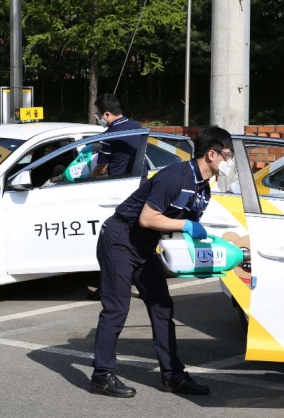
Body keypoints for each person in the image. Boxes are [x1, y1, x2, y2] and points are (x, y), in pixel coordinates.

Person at [90, 125, 233, 398]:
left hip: (145, 245)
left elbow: (175, 231)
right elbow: (147, 218)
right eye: (227, 155)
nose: (229, 162)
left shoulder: (203, 190)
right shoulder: (174, 177)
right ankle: (101, 376)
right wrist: (188, 226)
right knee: (117, 309)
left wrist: (198, 262)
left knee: (162, 306)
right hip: (120, 238)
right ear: (212, 154)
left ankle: (173, 376)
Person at [87, 94, 145, 300]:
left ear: (107, 114)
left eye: (98, 114)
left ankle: (109, 289)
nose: (97, 118)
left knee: (111, 243)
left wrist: (88, 176)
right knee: (136, 240)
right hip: (140, 186)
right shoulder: (137, 126)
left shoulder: (110, 135)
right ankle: (141, 283)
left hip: (116, 188)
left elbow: (102, 167)